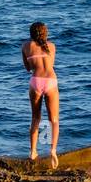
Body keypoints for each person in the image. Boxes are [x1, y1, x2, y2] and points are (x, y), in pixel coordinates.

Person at [22, 21, 60, 167]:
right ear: (45, 33)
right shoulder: (52, 46)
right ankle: (53, 151)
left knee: (36, 118)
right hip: (50, 81)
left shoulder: (25, 46)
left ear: (31, 33)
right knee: (54, 120)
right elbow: (50, 64)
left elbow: (28, 68)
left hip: (36, 82)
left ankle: (33, 152)